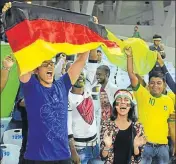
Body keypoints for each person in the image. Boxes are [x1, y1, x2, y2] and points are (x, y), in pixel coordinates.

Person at [126, 46, 175, 164]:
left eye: (159, 83)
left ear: (164, 85)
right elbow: (132, 75)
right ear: (148, 84)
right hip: (145, 146)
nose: (155, 86)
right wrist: (129, 56)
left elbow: (172, 125)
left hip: (163, 147)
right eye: (152, 83)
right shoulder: (142, 95)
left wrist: (174, 143)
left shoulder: (169, 100)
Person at [100, 89, 146, 164]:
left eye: (126, 99)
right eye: (119, 99)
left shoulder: (138, 127)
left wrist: (136, 147)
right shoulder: (107, 125)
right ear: (115, 105)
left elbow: (138, 158)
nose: (123, 102)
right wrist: (107, 147)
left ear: (130, 105)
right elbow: (103, 157)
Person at [68, 71, 100, 164]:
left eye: (81, 73)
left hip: (95, 146)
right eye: (77, 73)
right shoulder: (67, 98)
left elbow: (92, 65)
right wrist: (73, 152)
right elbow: (67, 127)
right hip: (80, 150)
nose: (80, 76)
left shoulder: (88, 89)